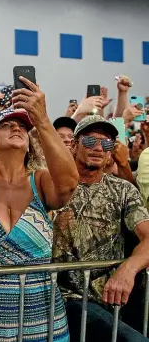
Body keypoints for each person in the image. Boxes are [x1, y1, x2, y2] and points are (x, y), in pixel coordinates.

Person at [0, 82, 79, 341]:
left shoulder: (40, 181)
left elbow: (69, 184)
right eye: (6, 125)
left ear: (29, 144)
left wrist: (43, 119)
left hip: (42, 316)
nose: (16, 127)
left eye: (23, 126)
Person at [53, 115, 149, 341]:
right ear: (74, 145)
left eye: (106, 143)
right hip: (67, 298)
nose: (98, 148)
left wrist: (128, 270)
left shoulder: (123, 190)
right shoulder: (53, 185)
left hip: (116, 296)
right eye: (89, 141)